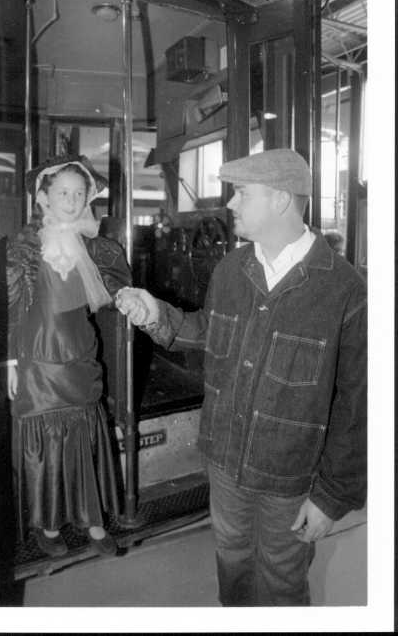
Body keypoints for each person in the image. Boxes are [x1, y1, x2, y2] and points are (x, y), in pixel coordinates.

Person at [115, 148, 367, 606]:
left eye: (242, 194)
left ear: (280, 200)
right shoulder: (232, 269)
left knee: (282, 582)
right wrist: (157, 314)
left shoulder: (344, 289)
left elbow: (358, 403)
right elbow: (210, 332)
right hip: (226, 462)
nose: (229, 204)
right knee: (231, 567)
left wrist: (332, 495)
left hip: (290, 477)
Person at [0, 155, 131, 559]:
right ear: (44, 198)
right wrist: (10, 362)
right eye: (62, 193)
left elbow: (119, 285)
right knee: (48, 443)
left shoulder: (94, 245)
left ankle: (92, 521)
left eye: (78, 193)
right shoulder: (24, 245)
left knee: (84, 435)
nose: (72, 201)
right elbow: (12, 305)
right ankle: (49, 526)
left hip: (79, 354)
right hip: (37, 357)